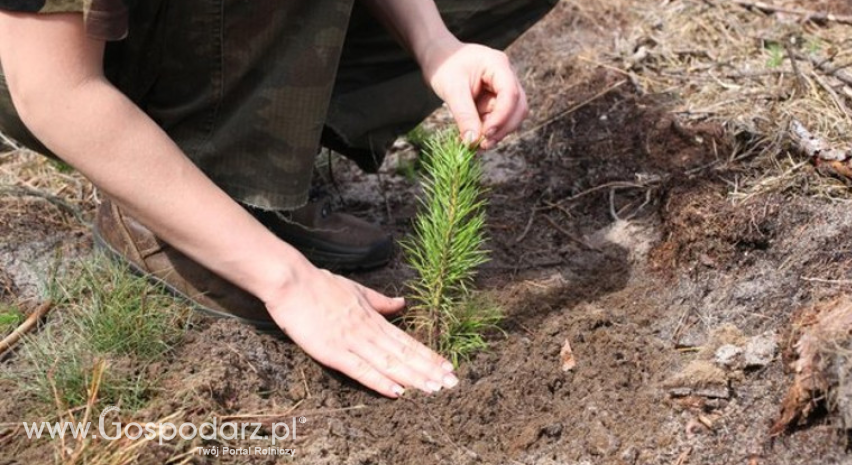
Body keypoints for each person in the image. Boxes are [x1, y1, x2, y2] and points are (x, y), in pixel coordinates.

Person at [0, 0, 557, 398]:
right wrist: (289, 281)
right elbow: (56, 93)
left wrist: (439, 47)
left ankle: (255, 150)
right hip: (48, 57)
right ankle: (175, 195)